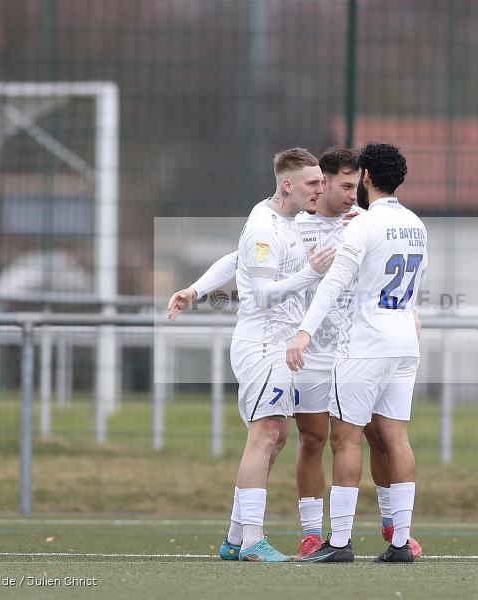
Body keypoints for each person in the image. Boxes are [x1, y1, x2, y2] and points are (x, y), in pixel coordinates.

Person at [168, 146, 422, 560]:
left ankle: (390, 527)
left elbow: (391, 270)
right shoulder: (290, 224)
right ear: (308, 187)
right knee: (306, 437)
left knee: (367, 435)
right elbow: (243, 261)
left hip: (348, 344)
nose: (345, 194)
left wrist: (410, 309)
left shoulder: (361, 223)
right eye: (336, 185)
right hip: (294, 348)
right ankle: (307, 534)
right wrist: (197, 289)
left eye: (351, 185)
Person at [286, 143, 427, 563]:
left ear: (366, 177)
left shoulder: (362, 226)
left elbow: (333, 284)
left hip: (366, 344)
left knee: (345, 440)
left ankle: (340, 542)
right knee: (396, 438)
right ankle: (401, 542)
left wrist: (304, 332)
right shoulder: (416, 223)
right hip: (404, 341)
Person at [199, 148, 334, 563]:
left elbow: (236, 260)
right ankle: (253, 541)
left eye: (322, 181)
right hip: (263, 344)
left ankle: (235, 538)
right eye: (314, 182)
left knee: (276, 437)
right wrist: (311, 273)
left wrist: (195, 289)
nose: (321, 188)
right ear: (287, 184)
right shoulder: (265, 227)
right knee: (265, 436)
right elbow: (260, 292)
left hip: (278, 345)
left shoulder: (285, 221)